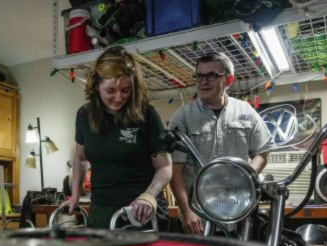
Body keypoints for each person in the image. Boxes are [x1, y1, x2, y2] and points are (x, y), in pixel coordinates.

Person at [62, 46, 172, 230]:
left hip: (140, 210)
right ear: (97, 85)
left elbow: (165, 166)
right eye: (110, 91)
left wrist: (149, 196)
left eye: (125, 90)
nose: (119, 97)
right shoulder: (85, 115)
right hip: (101, 210)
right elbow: (80, 159)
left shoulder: (146, 114)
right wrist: (74, 196)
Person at [168, 51, 275, 234]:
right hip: (199, 218)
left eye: (211, 75)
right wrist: (186, 212)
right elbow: (175, 171)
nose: (203, 81)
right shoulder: (183, 117)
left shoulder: (245, 112)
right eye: (199, 76)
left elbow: (262, 153)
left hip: (239, 216)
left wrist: (242, 179)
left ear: (229, 80)